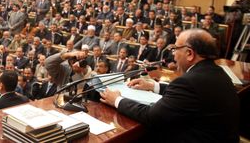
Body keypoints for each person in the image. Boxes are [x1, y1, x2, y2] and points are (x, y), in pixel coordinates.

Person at [99, 29, 239, 142]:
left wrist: (117, 100)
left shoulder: (189, 82)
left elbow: (151, 116)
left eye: (175, 49)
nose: (173, 55)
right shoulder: (216, 72)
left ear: (189, 53)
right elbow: (190, 95)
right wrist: (153, 86)